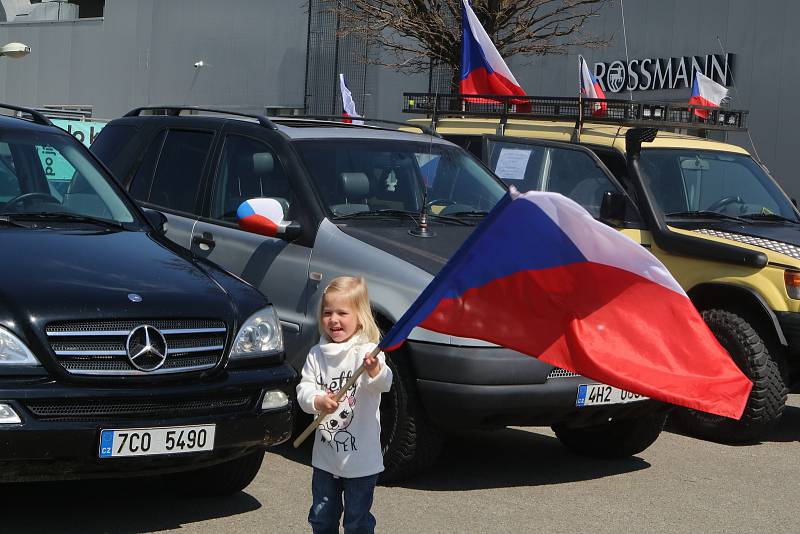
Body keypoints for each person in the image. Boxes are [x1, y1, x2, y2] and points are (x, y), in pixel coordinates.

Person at [296, 275, 393, 534]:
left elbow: (385, 383)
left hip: (361, 460)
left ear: (360, 317)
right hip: (326, 458)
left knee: (357, 520)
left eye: (342, 312)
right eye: (328, 312)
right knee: (321, 515)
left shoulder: (368, 352)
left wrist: (374, 371)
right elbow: (304, 389)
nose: (334, 320)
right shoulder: (317, 354)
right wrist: (317, 400)